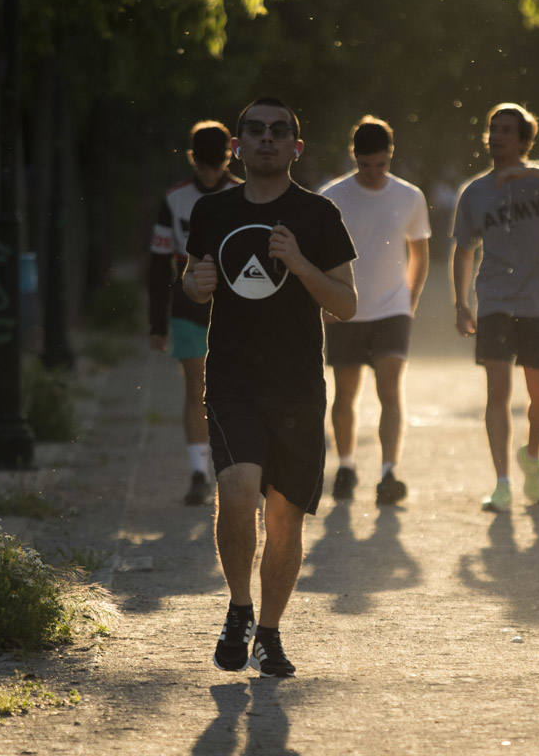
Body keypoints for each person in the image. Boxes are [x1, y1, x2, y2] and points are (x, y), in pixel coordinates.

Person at [182, 98, 357, 678]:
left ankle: (270, 634)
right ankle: (238, 609)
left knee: (284, 520)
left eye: (278, 132)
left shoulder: (319, 214)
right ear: (237, 144)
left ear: (295, 148)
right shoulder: (211, 211)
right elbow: (194, 277)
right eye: (254, 131)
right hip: (233, 379)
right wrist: (195, 283)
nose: (266, 140)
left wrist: (300, 263)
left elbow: (346, 304)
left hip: (298, 386)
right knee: (236, 493)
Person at [450, 103, 539, 512]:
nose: (496, 136)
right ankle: (501, 483)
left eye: (506, 130)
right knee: (497, 393)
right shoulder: (475, 192)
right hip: (494, 300)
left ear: (524, 140)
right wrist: (461, 303)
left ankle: (531, 456)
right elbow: (462, 250)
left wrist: (530, 171)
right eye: (492, 129)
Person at [319, 116, 431, 505]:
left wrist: (409, 299)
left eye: (380, 165)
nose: (372, 173)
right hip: (345, 309)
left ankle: (388, 474)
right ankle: (346, 466)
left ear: (391, 156)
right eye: (365, 165)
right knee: (346, 392)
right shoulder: (332, 195)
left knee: (389, 390)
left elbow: (419, 251)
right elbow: (318, 255)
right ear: (354, 157)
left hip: (392, 309)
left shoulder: (409, 196)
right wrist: (326, 302)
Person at [147, 121, 240, 506]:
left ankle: (234, 467)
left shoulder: (243, 195)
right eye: (202, 165)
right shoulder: (175, 199)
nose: (209, 172)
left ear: (229, 157)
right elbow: (157, 263)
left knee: (234, 390)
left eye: (215, 164)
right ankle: (200, 471)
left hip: (236, 308)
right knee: (196, 389)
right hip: (187, 305)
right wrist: (156, 322)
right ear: (192, 160)